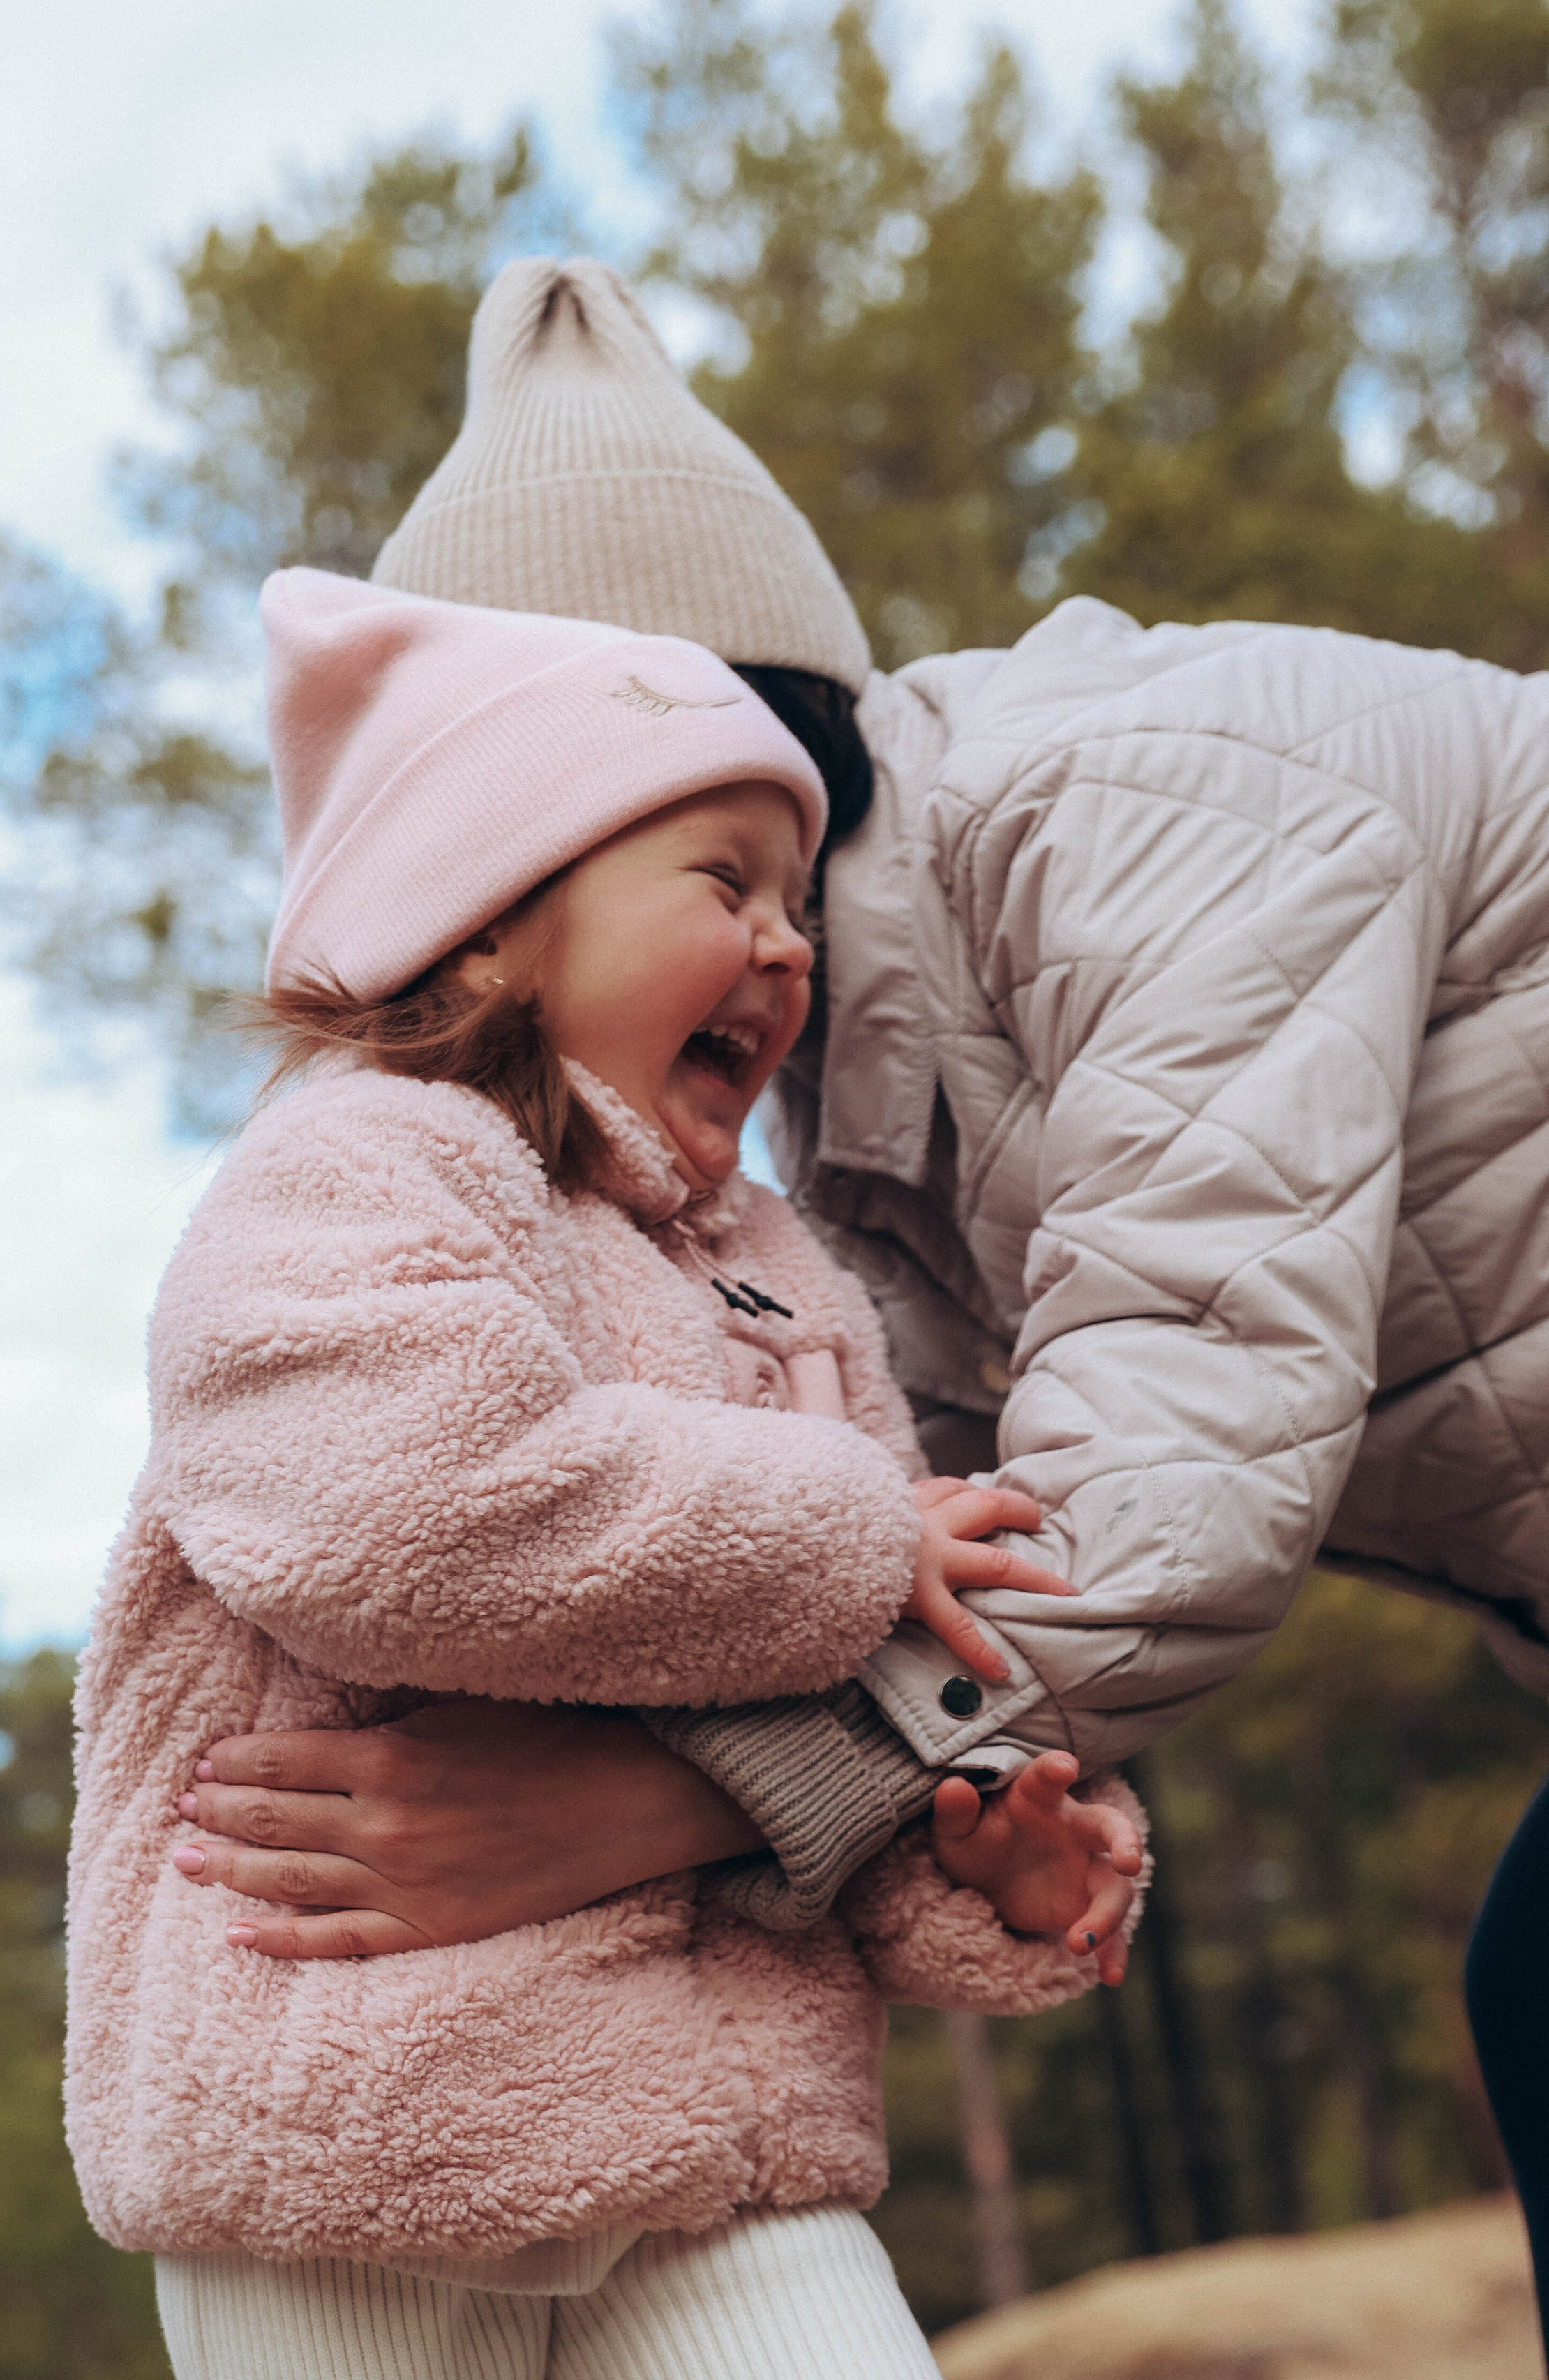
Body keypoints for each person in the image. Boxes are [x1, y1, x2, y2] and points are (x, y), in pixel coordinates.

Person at [168, 255, 1549, 2318]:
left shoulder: (1129, 813)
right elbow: (944, 1577)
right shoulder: (840, 1162)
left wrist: (646, 1808)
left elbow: (1175, 1486)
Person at [67, 567, 1146, 2380]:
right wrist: (859, 1541)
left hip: (731, 2158)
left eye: (800, 901)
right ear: (488, 924)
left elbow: (855, 1683)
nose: (790, 943)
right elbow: (405, 1506)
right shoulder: (361, 1163)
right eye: (724, 881)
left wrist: (982, 1871)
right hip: (350, 2140)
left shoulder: (791, 1279)